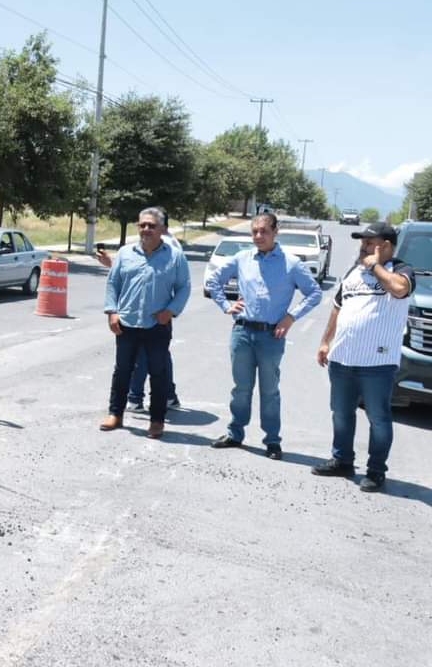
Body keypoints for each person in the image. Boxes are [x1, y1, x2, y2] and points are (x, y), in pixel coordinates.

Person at [205, 213, 322, 459]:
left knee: (270, 391)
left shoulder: (291, 264)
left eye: (264, 231)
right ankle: (235, 433)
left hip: (271, 337)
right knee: (241, 388)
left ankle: (272, 441)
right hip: (242, 332)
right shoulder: (241, 258)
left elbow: (314, 293)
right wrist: (226, 305)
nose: (258, 236)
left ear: (275, 232)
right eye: (255, 231)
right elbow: (214, 280)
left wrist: (291, 317)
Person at [311, 222, 415, 492]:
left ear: (387, 246)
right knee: (341, 413)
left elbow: (400, 289)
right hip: (342, 358)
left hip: (378, 363)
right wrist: (325, 341)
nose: (364, 247)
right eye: (363, 242)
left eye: (370, 243)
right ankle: (342, 460)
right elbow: (337, 306)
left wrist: (375, 265)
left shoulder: (400, 269)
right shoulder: (353, 271)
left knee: (378, 418)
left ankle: (376, 471)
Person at [100, 207, 191, 439]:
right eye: (142, 225)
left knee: (158, 373)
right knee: (122, 371)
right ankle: (115, 414)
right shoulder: (125, 253)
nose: (146, 229)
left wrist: (170, 311)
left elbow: (184, 287)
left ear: (163, 229)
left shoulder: (175, 256)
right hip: (127, 323)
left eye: (151, 225)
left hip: (157, 325)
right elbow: (113, 284)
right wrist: (112, 312)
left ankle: (157, 420)